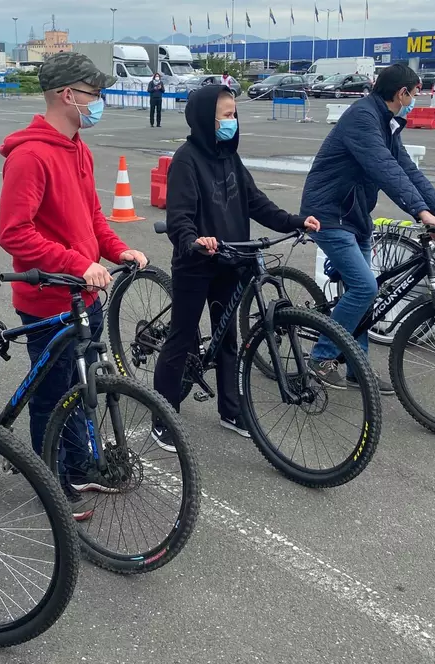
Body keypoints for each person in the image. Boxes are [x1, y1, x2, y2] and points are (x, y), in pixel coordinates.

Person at [0, 52, 148, 515]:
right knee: (51, 395)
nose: (98, 102)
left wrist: (116, 249)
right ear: (68, 95)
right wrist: (76, 264)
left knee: (83, 389)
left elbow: (92, 217)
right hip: (48, 300)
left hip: (85, 296)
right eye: (94, 94)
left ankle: (80, 467)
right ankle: (50, 482)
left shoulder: (77, 147)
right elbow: (14, 232)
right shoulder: (30, 155)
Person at [152, 85, 320, 448]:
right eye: (226, 115)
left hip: (232, 261)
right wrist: (194, 240)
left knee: (228, 339)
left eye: (234, 115)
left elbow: (256, 202)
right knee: (180, 339)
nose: (232, 121)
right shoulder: (185, 160)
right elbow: (179, 217)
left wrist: (294, 221)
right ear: (204, 119)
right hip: (197, 264)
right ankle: (163, 414)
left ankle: (230, 409)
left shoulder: (231, 157)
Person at [299, 63, 435, 393]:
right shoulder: (363, 118)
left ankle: (357, 368)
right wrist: (420, 212)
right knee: (364, 288)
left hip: (356, 216)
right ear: (401, 93)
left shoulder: (387, 123)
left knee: (365, 295)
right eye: (415, 94)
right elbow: (385, 170)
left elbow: (407, 170)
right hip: (328, 215)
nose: (417, 100)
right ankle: (322, 355)